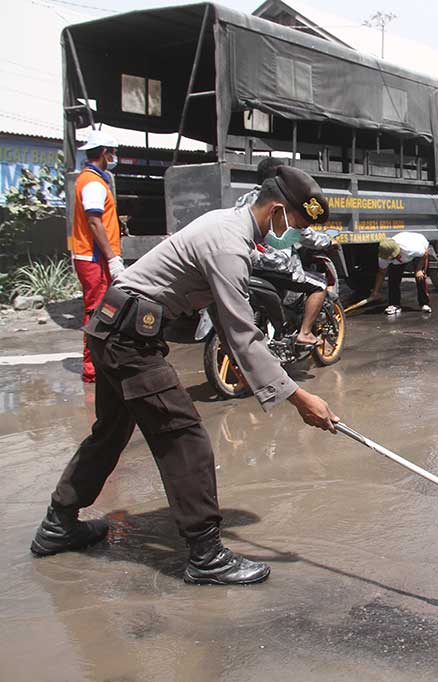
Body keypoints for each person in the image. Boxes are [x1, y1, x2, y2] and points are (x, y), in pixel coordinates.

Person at [30, 165, 339, 585]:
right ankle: (206, 553)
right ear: (279, 210)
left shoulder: (226, 226)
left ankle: (58, 524)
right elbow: (243, 334)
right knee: (184, 436)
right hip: (128, 341)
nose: (295, 234)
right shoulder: (229, 245)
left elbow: (225, 321)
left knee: (111, 433)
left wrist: (258, 378)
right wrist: (300, 399)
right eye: (297, 224)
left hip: (111, 329)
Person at [243, 157, 332, 346]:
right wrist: (329, 241)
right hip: (277, 265)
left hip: (249, 262)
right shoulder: (283, 203)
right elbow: (306, 235)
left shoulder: (244, 199)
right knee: (320, 286)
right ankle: (305, 333)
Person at [70, 129, 124, 383]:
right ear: (104, 153)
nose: (114, 157)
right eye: (112, 153)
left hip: (91, 256)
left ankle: (98, 362)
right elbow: (94, 222)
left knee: (101, 310)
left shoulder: (91, 179)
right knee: (96, 312)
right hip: (94, 258)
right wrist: (112, 257)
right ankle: (93, 368)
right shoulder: (93, 182)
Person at [369, 232, 432, 315]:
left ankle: (424, 303)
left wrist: (419, 269)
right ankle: (394, 304)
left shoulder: (410, 249)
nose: (395, 258)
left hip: (420, 251)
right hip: (407, 253)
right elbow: (381, 273)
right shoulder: (383, 257)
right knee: (393, 279)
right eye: (392, 257)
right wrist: (375, 292)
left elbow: (425, 253)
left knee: (420, 277)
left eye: (396, 255)